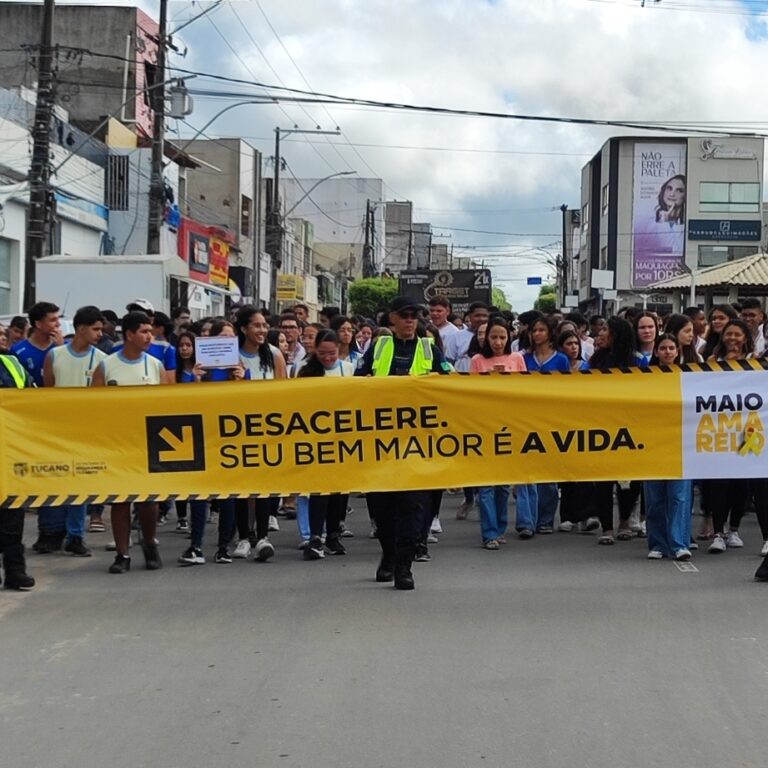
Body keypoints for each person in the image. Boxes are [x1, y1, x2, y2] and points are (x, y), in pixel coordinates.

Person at [356, 296, 451, 591]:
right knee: (381, 508)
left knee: (412, 506)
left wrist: (435, 381)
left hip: (417, 444)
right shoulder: (379, 347)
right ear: (393, 319)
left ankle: (403, 567)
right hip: (380, 443)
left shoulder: (429, 349)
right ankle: (388, 554)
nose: (410, 320)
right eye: (405, 315)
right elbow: (356, 382)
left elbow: (451, 384)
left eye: (414, 316)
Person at [91, 311, 165, 573]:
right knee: (120, 500)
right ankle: (122, 554)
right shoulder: (106, 366)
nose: (149, 336)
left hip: (147, 442)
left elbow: (169, 404)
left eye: (150, 331)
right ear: (129, 335)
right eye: (144, 332)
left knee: (148, 501)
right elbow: (93, 405)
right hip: (117, 443)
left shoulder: (155, 366)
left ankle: (149, 542)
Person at [40, 305, 108, 558]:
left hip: (85, 430)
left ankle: (76, 535)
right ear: (80, 329)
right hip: (57, 429)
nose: (100, 334)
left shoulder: (101, 359)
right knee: (55, 479)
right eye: (95, 329)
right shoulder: (54, 356)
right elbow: (48, 392)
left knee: (80, 482)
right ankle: (51, 533)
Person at [297, 329, 354, 560]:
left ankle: (333, 534)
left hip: (343, 438)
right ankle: (315, 536)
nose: (328, 358)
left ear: (339, 349)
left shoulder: (348, 369)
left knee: (339, 492)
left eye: (332, 353)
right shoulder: (304, 371)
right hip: (316, 438)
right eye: (322, 353)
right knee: (318, 490)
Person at [469, 317, 525, 548]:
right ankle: (489, 533)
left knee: (503, 486)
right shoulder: (477, 360)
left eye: (502, 337)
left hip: (509, 425)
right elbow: (471, 394)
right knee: (486, 485)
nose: (498, 342)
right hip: (484, 426)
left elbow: (526, 391)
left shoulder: (517, 358)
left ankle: (500, 527)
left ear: (509, 337)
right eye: (493, 337)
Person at [703, 320, 754, 555]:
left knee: (741, 483)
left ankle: (733, 529)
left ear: (745, 338)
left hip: (747, 430)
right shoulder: (712, 362)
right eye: (728, 334)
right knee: (719, 482)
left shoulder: (756, 360)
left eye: (737, 334)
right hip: (719, 429)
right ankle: (718, 532)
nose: (732, 338)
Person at [0, 345, 35, 590]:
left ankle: (15, 570)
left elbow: (33, 400)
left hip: (11, 450)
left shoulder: (11, 363)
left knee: (13, 513)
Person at [11, 301, 62, 387]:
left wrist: (62, 350)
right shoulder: (17, 350)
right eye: (53, 320)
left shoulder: (64, 346)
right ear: (38, 324)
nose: (58, 324)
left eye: (58, 319)